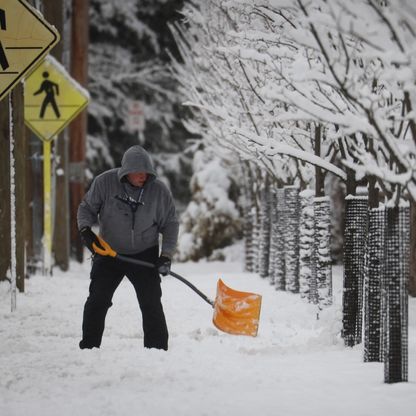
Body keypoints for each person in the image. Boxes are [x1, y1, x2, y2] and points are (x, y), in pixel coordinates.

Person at [77, 145, 179, 351]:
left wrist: (166, 255)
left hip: (144, 254)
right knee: (97, 299)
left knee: (151, 302)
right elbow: (86, 208)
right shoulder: (104, 183)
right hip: (109, 253)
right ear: (125, 172)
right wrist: (86, 230)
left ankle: (157, 350)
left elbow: (170, 224)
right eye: (138, 172)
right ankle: (88, 347)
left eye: (146, 172)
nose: (143, 176)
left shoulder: (158, 191)